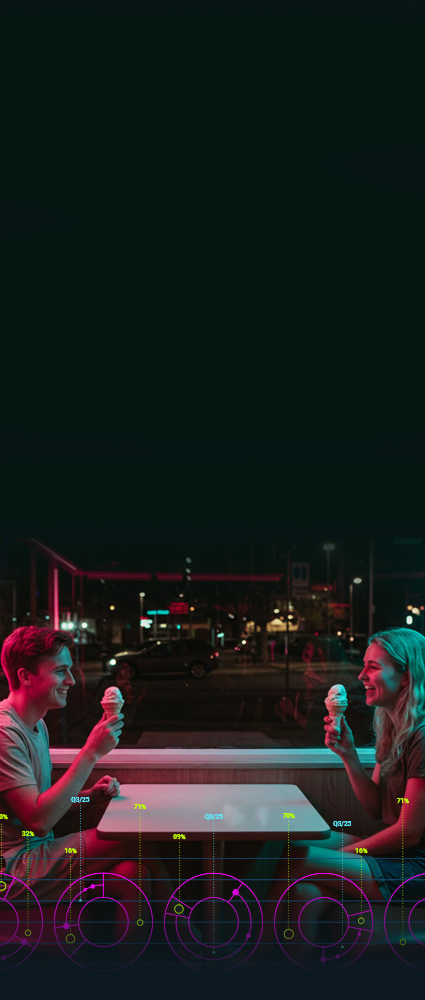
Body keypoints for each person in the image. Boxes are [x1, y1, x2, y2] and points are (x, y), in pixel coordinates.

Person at [0, 626, 173, 935]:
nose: (71, 680)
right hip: (12, 868)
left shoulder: (36, 725)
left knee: (133, 875)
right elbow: (38, 821)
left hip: (38, 853)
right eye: (60, 672)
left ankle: (136, 973)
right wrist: (90, 753)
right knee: (133, 837)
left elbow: (45, 807)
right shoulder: (5, 732)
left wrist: (89, 796)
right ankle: (182, 931)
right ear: (26, 676)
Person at [262, 627, 425, 944]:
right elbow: (377, 808)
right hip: (398, 856)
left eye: (373, 667)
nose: (362, 675)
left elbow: (409, 831)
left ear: (406, 677)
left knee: (300, 859)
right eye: (364, 665)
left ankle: (252, 956)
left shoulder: (422, 736)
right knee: (304, 880)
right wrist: (348, 754)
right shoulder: (393, 728)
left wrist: (348, 855)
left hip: (415, 866)